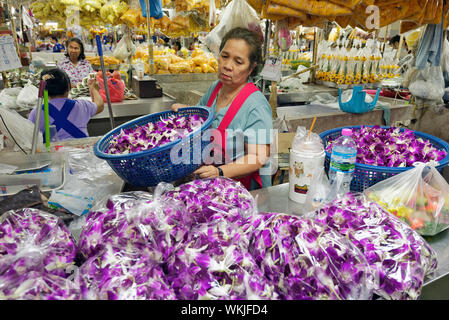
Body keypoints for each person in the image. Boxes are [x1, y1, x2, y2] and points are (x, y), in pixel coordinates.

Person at [171, 27, 273, 190]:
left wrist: (220, 172)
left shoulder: (256, 105)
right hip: (212, 187)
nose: (227, 65)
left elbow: (259, 157)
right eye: (224, 56)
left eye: (238, 62)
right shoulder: (215, 89)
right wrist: (186, 112)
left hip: (240, 191)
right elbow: (201, 120)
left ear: (251, 68)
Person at [28, 68, 104, 141]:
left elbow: (30, 137)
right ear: (69, 88)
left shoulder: (37, 112)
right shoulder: (81, 105)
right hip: (81, 152)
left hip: (52, 153)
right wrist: (94, 89)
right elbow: (100, 105)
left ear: (44, 90)